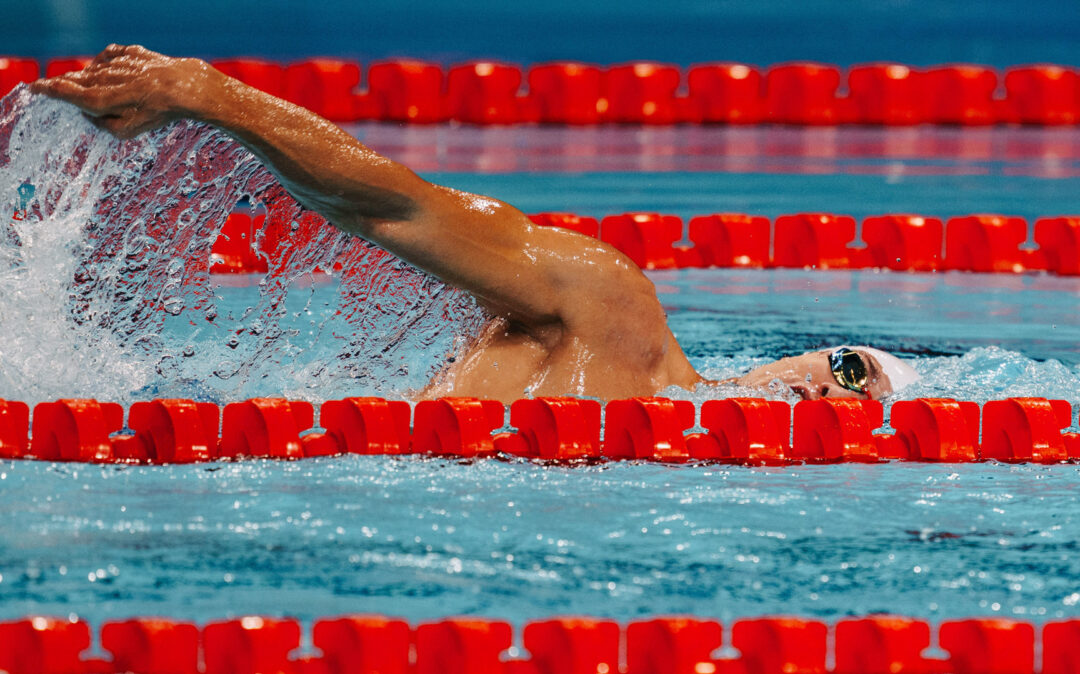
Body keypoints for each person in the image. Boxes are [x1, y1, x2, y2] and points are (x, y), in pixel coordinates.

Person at [31, 44, 918, 404]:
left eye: (863, 414)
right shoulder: (614, 308)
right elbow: (396, 206)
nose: (834, 398)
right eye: (851, 368)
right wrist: (206, 94)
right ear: (807, 352)